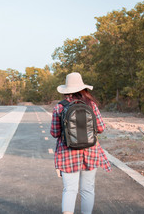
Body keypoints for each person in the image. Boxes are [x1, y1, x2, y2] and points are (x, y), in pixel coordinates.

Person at [50, 72, 111, 214]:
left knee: (70, 190)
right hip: (90, 152)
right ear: (83, 88)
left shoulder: (59, 107)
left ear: (66, 90)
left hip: (67, 153)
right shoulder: (91, 105)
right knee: (87, 189)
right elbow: (101, 128)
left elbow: (54, 133)